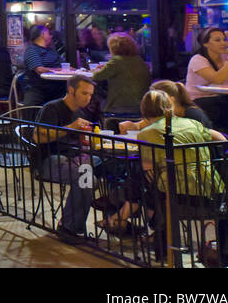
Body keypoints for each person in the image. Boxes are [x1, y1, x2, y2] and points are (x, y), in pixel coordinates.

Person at [135, 89, 228, 266]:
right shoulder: (192, 124)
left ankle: (162, 247)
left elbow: (148, 169)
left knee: (149, 190)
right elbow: (221, 139)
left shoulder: (145, 135)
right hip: (211, 194)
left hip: (174, 200)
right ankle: (227, 258)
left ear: (144, 111)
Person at [32, 75, 98, 245]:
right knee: (87, 178)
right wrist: (70, 128)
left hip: (73, 157)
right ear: (71, 90)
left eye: (90, 94)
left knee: (114, 167)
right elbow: (38, 137)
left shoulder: (81, 112)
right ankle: (68, 228)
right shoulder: (52, 109)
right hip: (48, 160)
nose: (88, 98)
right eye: (84, 93)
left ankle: (116, 217)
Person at [92, 32, 152, 120]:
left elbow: (97, 76)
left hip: (119, 106)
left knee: (92, 101)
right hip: (140, 107)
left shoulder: (117, 61)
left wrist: (95, 70)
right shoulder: (139, 61)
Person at [118, 80, 213, 132]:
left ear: (171, 100)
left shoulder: (192, 115)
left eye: (157, 102)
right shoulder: (165, 116)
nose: (154, 106)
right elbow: (148, 123)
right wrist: (134, 126)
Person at [21, 25, 66, 105]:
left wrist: (76, 70)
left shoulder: (51, 50)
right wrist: (57, 70)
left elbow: (62, 66)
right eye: (48, 34)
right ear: (43, 35)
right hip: (38, 87)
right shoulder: (32, 50)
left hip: (56, 86)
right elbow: (39, 69)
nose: (51, 36)